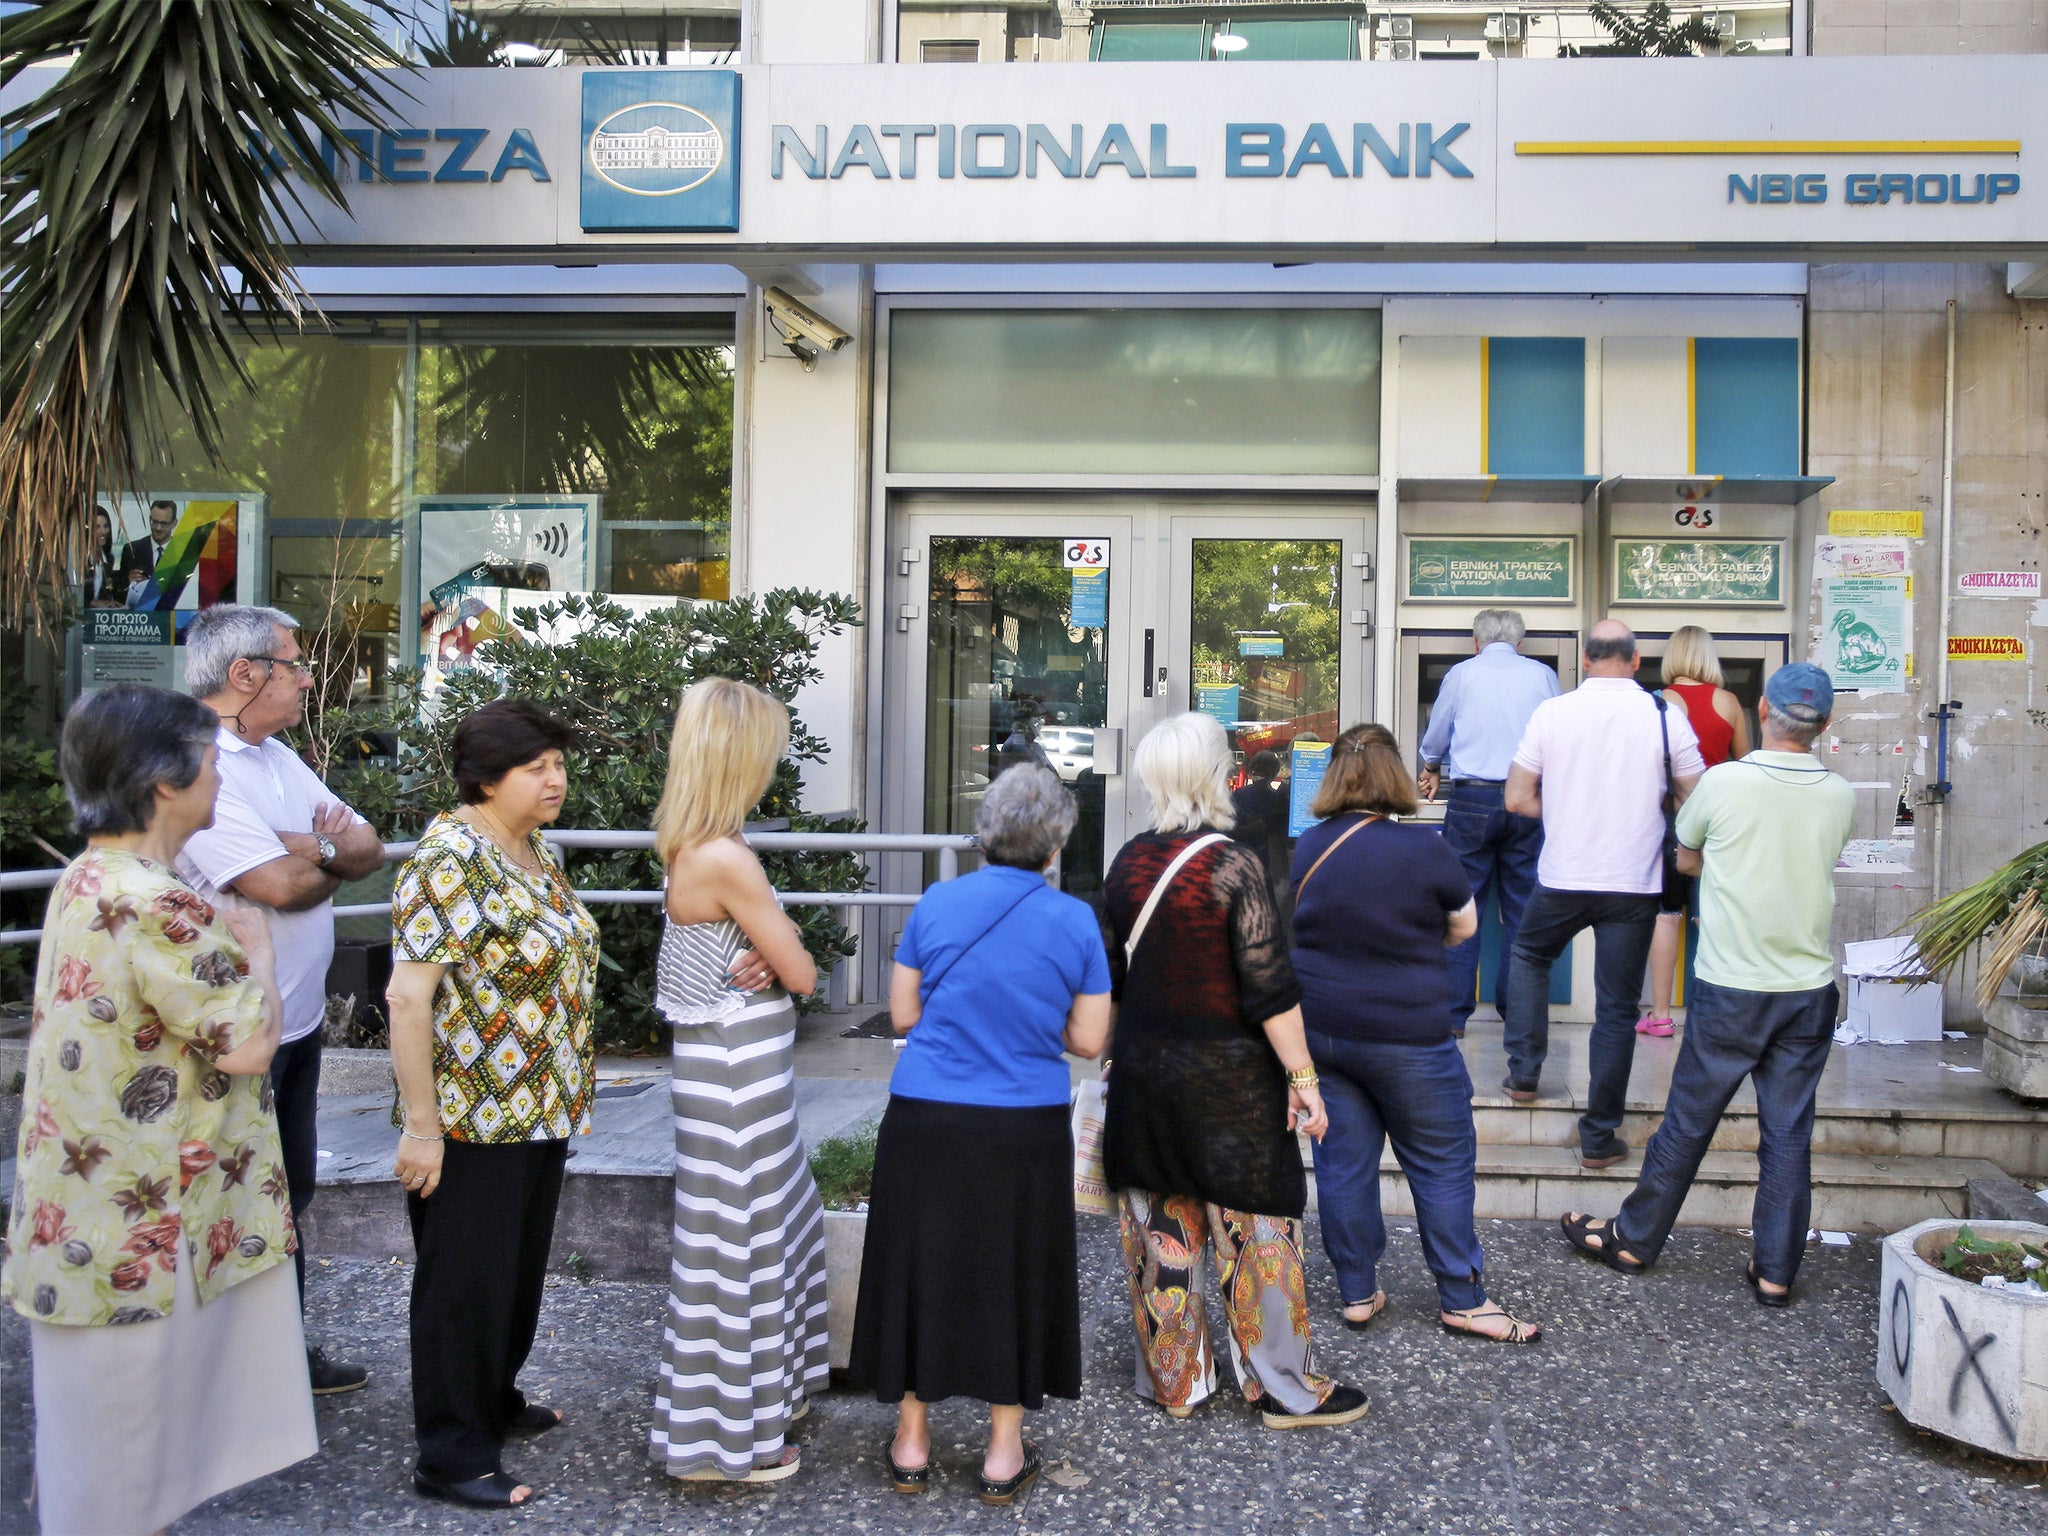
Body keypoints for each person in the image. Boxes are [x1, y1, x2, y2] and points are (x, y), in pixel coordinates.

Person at [4, 685, 316, 1535]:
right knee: (126, 1465)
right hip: (144, 1223)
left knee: (96, 1457)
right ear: (166, 783)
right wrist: (253, 945)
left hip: (86, 1211)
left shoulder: (87, 878)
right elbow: (249, 1047)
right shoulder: (160, 902)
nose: (222, 775)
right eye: (213, 762)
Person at [849, 765, 1112, 1506]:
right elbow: (1090, 1039)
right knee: (1014, 1270)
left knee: (917, 1263)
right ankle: (1002, 1451)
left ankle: (911, 1440)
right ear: (1056, 846)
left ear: (983, 835)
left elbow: (903, 1016)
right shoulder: (1073, 922)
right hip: (1022, 1122)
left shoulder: (937, 904)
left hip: (925, 1116)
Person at [1100, 712, 1368, 1432]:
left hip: (1145, 1079)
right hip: (1229, 1087)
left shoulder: (1125, 862)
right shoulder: (1234, 863)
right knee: (1258, 1229)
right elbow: (1269, 989)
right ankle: (1284, 1388)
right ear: (1218, 774)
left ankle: (1177, 1381)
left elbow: (1113, 981)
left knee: (1162, 1228)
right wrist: (1305, 1080)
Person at [1562, 664, 1853, 1306]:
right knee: (1787, 1134)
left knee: (1688, 1124)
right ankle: (1776, 1270)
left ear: (1763, 711)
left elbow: (1686, 856)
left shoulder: (1722, 784)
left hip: (1732, 986)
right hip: (1807, 991)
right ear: (1825, 725)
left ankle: (1634, 1239)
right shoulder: (1840, 794)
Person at [385, 700, 600, 1509]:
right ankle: (449, 1451)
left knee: (513, 1274)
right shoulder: (450, 859)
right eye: (536, 768)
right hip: (471, 1114)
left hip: (539, 1105)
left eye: (558, 764)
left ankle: (493, 1401)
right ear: (484, 779)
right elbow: (409, 1000)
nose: (555, 779)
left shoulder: (529, 847)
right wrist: (421, 1130)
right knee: (464, 1286)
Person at [178, 604, 384, 1396]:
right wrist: (311, 851)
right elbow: (277, 887)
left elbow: (367, 846)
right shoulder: (199, 759)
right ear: (245, 674)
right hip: (232, 1040)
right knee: (231, 1201)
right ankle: (231, 1373)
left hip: (293, 1028)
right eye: (295, 664)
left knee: (288, 1193)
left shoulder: (273, 756)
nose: (307, 678)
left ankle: (276, 1359)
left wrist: (313, 847)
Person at [1290, 725, 1539, 1345]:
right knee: (1441, 1163)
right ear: (1395, 778)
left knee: (1343, 1163)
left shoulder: (1307, 847)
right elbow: (1464, 930)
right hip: (1410, 1039)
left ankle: (1355, 1290)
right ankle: (1461, 1297)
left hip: (1324, 1033)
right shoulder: (1427, 849)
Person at [647, 678, 830, 1485]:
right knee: (741, 1245)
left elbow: (765, 960)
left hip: (730, 1068)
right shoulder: (726, 855)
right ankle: (728, 1443)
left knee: (752, 1234)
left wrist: (769, 954)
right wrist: (783, 953)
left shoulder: (694, 845)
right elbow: (804, 973)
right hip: (735, 1075)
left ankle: (757, 1407)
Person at [1502, 621, 1704, 1167]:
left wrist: (1566, 810)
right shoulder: (1666, 718)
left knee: (1528, 954)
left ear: (1586, 661)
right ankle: (1597, 1138)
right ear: (1637, 661)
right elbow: (1697, 802)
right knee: (1616, 1010)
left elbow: (1517, 799)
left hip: (1564, 876)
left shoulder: (1552, 713)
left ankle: (1524, 1074)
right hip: (1633, 886)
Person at [1417, 609, 1560, 1038]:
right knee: (1521, 909)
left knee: (1464, 906)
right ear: (1521, 643)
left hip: (1472, 797)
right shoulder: (1542, 675)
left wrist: (1430, 763)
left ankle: (1455, 1017)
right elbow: (1555, 732)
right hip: (1528, 797)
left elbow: (1437, 731)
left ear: (1476, 642)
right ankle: (1517, 1013)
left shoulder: (1462, 674)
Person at [1639, 625, 1752, 1038]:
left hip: (1668, 821)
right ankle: (1715, 1016)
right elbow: (1745, 766)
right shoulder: (1730, 702)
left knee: (1666, 917)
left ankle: (1660, 1016)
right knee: (1713, 918)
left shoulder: (1659, 703)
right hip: (1718, 822)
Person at [1228, 748, 1291, 880]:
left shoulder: (1239, 796)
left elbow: (1230, 829)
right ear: (1274, 773)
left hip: (1243, 859)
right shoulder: (1279, 798)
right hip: (1271, 862)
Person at [120, 497, 179, 606]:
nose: (158, 528)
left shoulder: (183, 553)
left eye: (164, 523)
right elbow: (118, 595)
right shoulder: (131, 550)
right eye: (154, 522)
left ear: (174, 523)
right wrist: (129, 584)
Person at [83, 505, 124, 607]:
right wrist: (93, 603)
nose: (103, 532)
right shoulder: (78, 560)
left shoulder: (109, 559)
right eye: (97, 527)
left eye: (106, 526)